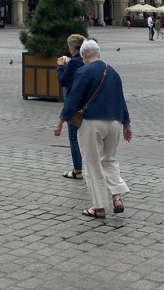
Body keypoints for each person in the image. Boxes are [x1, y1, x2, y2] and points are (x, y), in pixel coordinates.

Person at [56, 39, 132, 219]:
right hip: (114, 122)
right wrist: (127, 124)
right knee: (110, 160)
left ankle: (98, 208)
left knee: (92, 164)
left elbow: (73, 99)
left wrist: (61, 121)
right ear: (98, 53)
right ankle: (117, 196)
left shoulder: (83, 71)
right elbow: (121, 99)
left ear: (83, 55)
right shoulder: (112, 71)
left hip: (92, 123)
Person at [55, 34, 87, 180]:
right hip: (88, 104)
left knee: (74, 138)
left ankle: (78, 170)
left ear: (73, 47)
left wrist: (60, 66)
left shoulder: (74, 63)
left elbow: (63, 80)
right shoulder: (85, 60)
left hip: (75, 106)